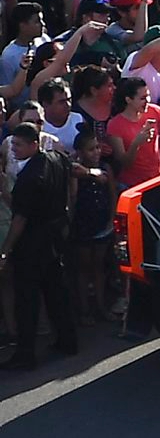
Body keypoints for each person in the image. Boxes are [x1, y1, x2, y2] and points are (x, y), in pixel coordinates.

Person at [0, 122, 76, 369]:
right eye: (12, 144)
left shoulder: (29, 178)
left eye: (19, 145)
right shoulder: (56, 159)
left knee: (28, 299)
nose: (14, 149)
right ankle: (67, 340)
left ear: (34, 144)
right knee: (57, 292)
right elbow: (72, 174)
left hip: (33, 244)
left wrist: (6, 250)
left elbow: (20, 217)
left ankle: (25, 354)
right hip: (55, 238)